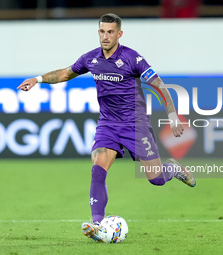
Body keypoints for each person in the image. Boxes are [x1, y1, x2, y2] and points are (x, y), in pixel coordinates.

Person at [17, 13, 196, 243]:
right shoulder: (91, 58)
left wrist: (172, 114)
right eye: (102, 31)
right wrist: (38, 79)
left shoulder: (132, 58)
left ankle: (172, 168)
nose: (105, 36)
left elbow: (159, 85)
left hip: (135, 124)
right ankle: (98, 224)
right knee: (98, 164)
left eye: (110, 32)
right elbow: (64, 73)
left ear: (119, 34)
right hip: (108, 124)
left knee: (157, 178)